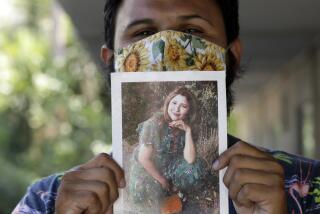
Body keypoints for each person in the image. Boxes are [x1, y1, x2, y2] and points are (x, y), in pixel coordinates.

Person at [13, 0, 320, 213]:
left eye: (193, 32)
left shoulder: (306, 187)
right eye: (143, 33)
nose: (167, 49)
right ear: (112, 62)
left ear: (231, 56)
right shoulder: (49, 200)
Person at [128, 87, 207, 212]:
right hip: (148, 170)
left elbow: (190, 159)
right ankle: (167, 197)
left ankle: (176, 193)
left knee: (197, 167)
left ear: (189, 111)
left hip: (169, 167)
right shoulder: (153, 124)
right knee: (153, 194)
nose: (176, 109)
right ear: (168, 103)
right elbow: (143, 159)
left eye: (183, 106)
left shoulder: (184, 125)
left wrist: (187, 131)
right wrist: (162, 180)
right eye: (174, 103)